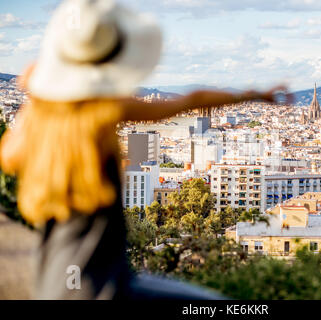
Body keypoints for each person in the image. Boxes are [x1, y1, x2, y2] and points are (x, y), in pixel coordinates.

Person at [0, 0, 291, 299]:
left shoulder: (38, 120)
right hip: (99, 288)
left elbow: (8, 157)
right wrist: (254, 94)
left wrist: (39, 94)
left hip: (53, 283)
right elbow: (190, 100)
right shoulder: (103, 112)